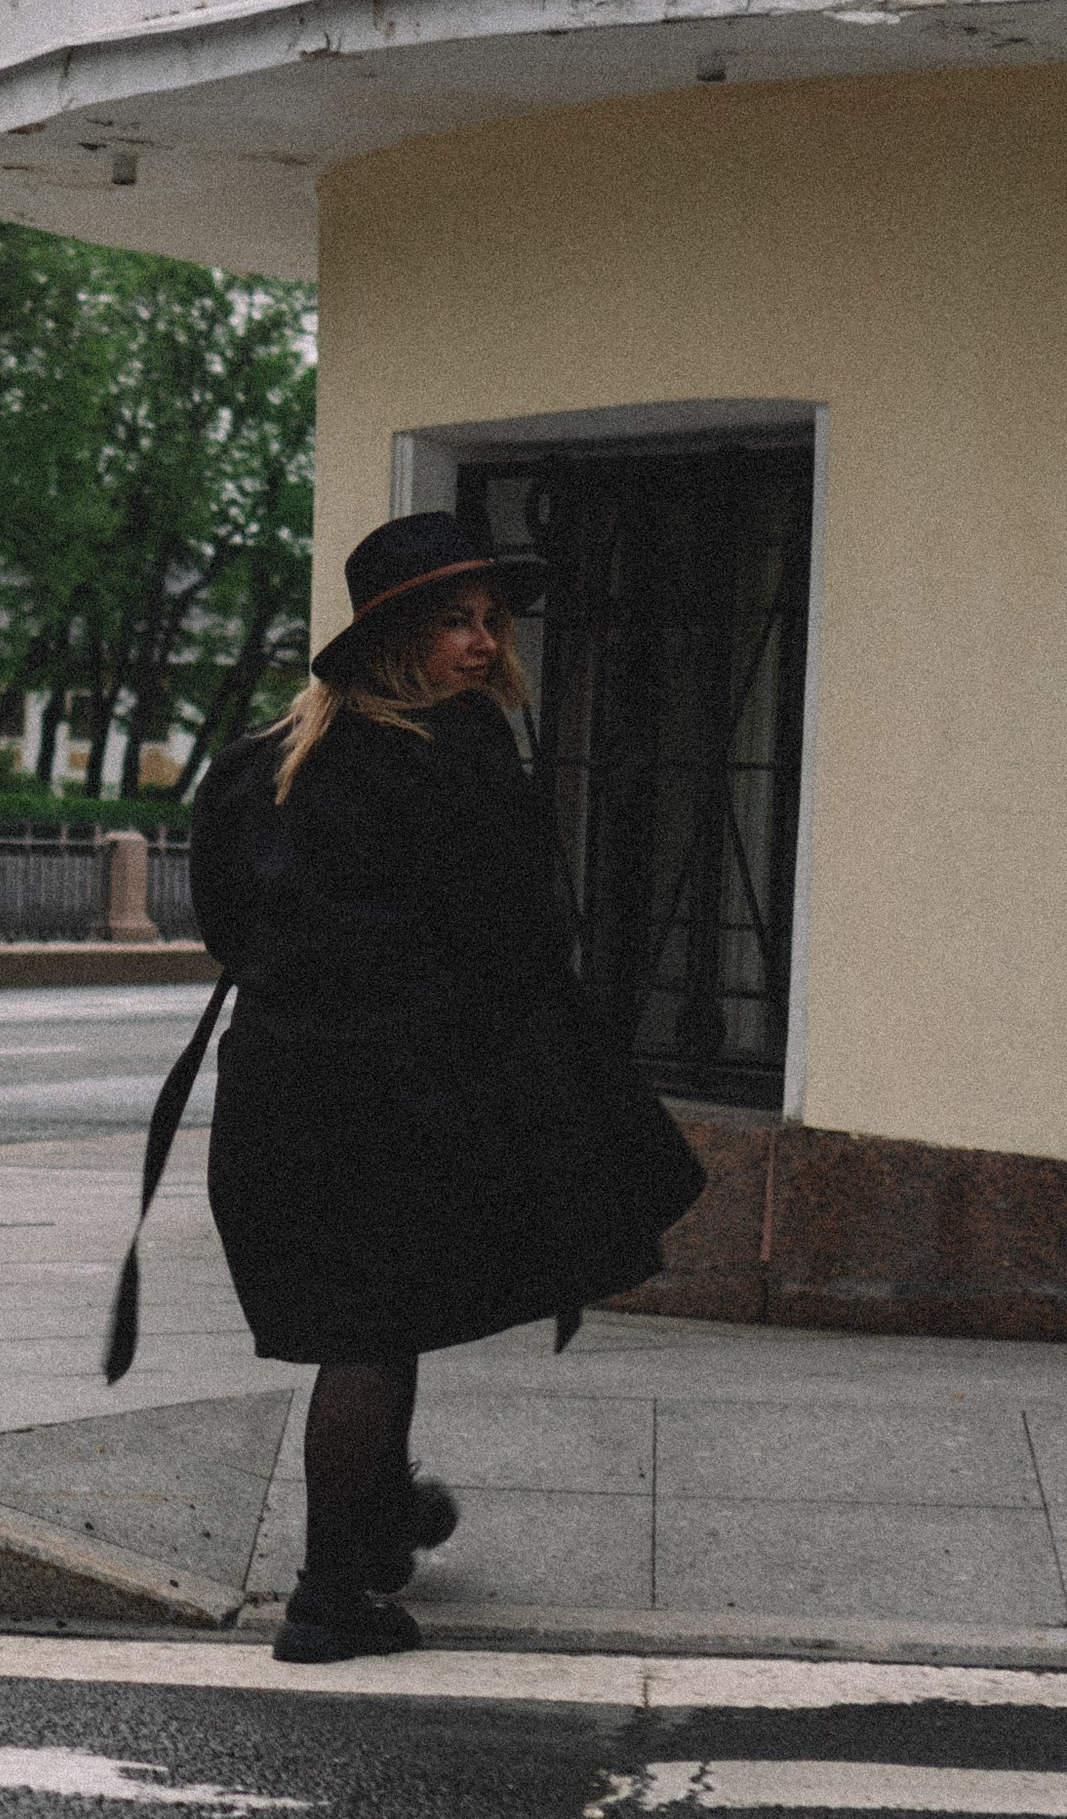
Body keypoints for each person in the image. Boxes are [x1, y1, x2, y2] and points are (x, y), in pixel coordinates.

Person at [188, 509, 704, 1668]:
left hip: (281, 1091)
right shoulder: (451, 752)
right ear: (393, 638)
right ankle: (329, 1594)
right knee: (372, 1332)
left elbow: (226, 926)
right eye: (453, 624)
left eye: (489, 621)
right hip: (397, 1092)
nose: (481, 643)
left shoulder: (262, 758)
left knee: (376, 1319)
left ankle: (375, 1527)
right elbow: (519, 933)